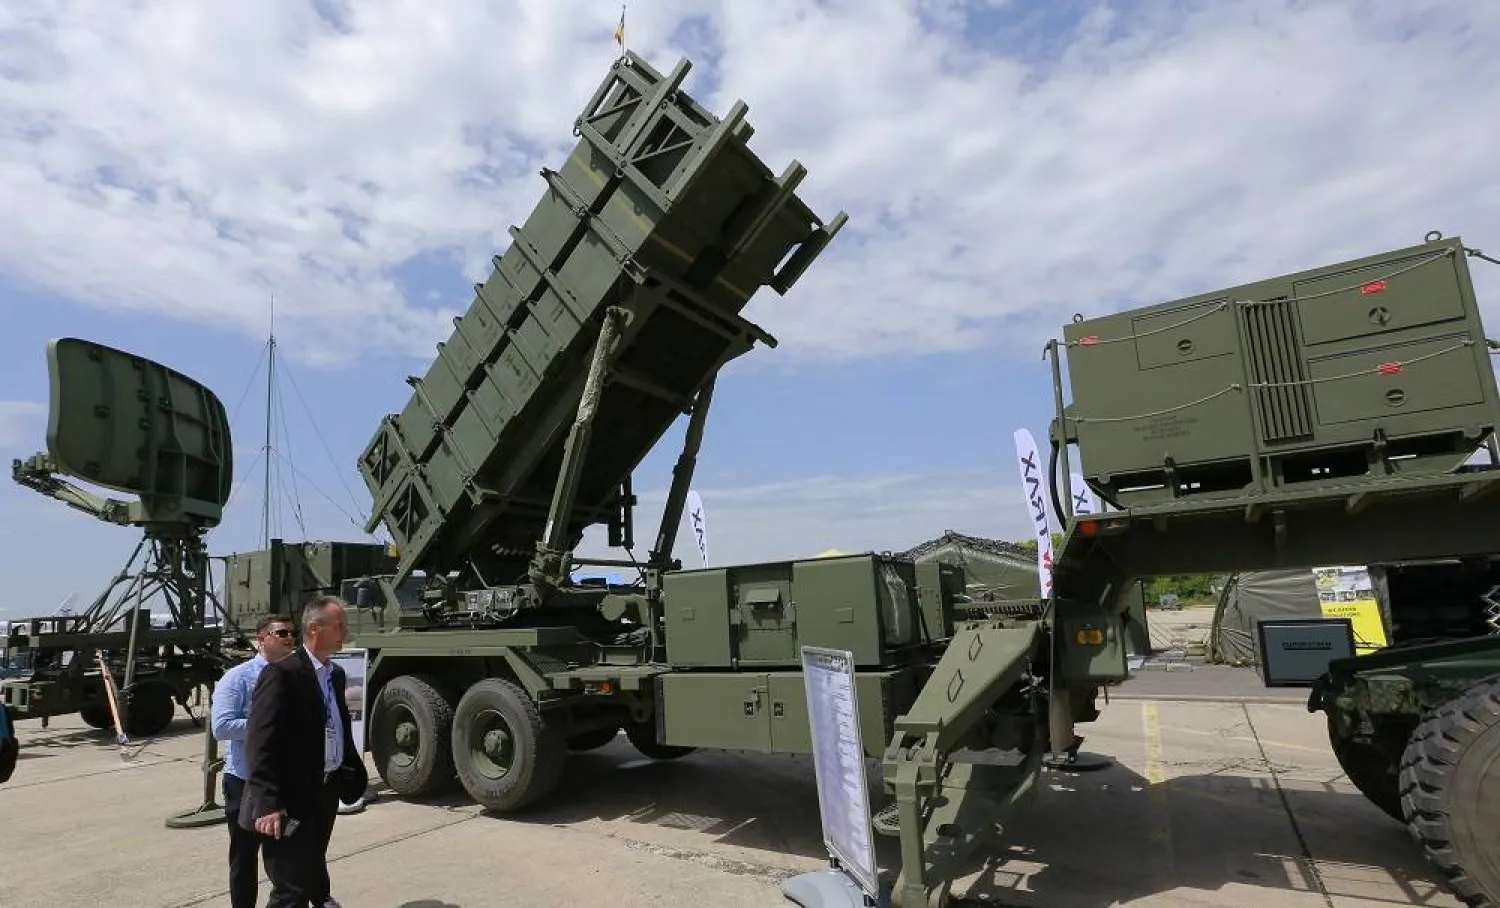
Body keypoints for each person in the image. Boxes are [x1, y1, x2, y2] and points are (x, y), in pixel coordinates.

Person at [241, 595, 368, 908]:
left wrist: (349, 773)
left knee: (311, 870)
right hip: (288, 801)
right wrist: (268, 802)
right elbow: (260, 743)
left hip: (323, 793)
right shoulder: (281, 674)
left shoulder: (334, 674)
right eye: (339, 626)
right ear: (314, 629)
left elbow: (337, 727)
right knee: (290, 890)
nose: (345, 632)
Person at [211, 613, 297, 908]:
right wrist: (266, 724)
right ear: (262, 639)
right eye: (282, 633)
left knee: (286, 859)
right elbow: (221, 726)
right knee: (244, 857)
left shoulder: (296, 674)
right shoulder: (238, 678)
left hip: (283, 782)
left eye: (291, 633)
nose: (290, 639)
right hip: (245, 782)